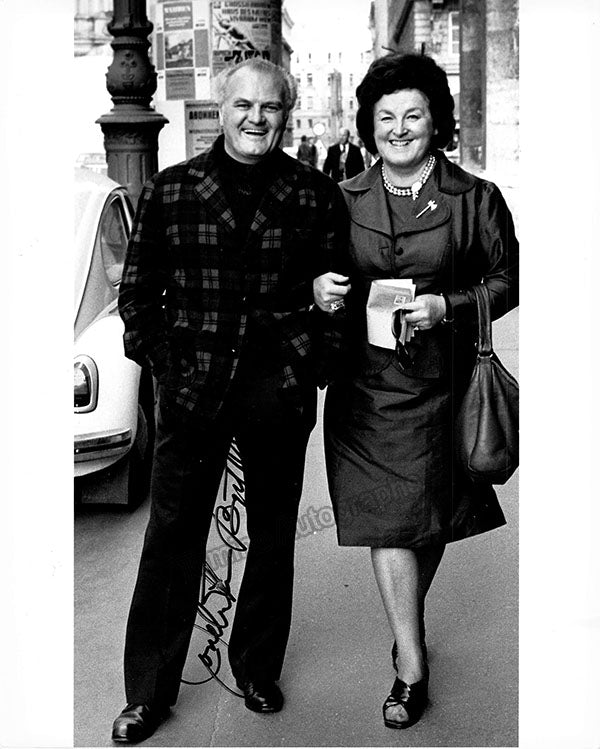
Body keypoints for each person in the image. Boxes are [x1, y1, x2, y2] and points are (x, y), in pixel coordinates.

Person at [111, 57, 347, 744]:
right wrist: (171, 371)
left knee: (273, 537)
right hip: (194, 391)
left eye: (270, 107)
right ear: (221, 109)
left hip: (278, 390)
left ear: (286, 114)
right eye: (243, 104)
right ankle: (148, 693)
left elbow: (339, 295)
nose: (256, 118)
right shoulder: (172, 190)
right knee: (171, 537)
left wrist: (312, 368)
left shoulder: (313, 194)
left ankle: (257, 668)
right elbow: (137, 300)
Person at [313, 53, 518, 730]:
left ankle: (407, 627)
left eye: (413, 115)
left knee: (425, 517)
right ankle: (411, 661)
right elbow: (313, 274)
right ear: (369, 125)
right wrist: (321, 289)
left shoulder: (474, 198)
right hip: (366, 391)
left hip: (444, 387)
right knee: (389, 520)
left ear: (436, 122)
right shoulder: (342, 199)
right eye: (386, 117)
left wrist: (446, 306)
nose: (398, 129)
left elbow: (508, 280)